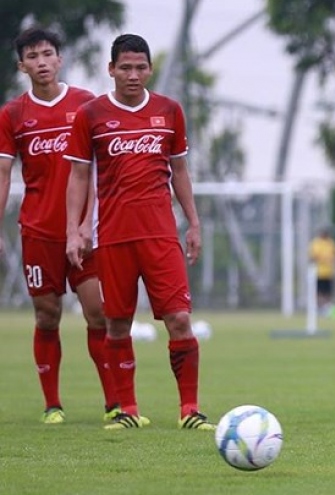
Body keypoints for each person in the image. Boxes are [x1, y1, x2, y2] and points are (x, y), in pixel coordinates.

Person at [64, 33, 213, 430]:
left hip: (161, 236)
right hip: (112, 236)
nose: (133, 75)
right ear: (110, 69)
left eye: (141, 67)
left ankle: (189, 410)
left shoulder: (169, 111)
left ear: (150, 69)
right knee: (117, 323)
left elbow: (179, 171)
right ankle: (127, 409)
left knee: (179, 318)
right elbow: (78, 177)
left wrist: (194, 223)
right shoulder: (91, 115)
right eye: (125, 67)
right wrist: (74, 230)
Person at [0, 27, 119, 424]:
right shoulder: (13, 115)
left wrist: (87, 223)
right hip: (38, 232)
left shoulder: (86, 105)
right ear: (22, 65)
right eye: (33, 57)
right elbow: (2, 174)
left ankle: (113, 404)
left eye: (48, 54)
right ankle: (52, 405)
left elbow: (100, 170)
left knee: (98, 313)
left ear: (60, 59)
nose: (42, 62)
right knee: (46, 316)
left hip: (84, 233)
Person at [309, 227, 335, 314]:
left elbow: (334, 256)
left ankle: (327, 308)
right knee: (319, 292)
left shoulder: (330, 243)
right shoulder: (316, 243)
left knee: (328, 292)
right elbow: (313, 257)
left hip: (329, 272)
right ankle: (319, 308)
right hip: (319, 272)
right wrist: (323, 259)